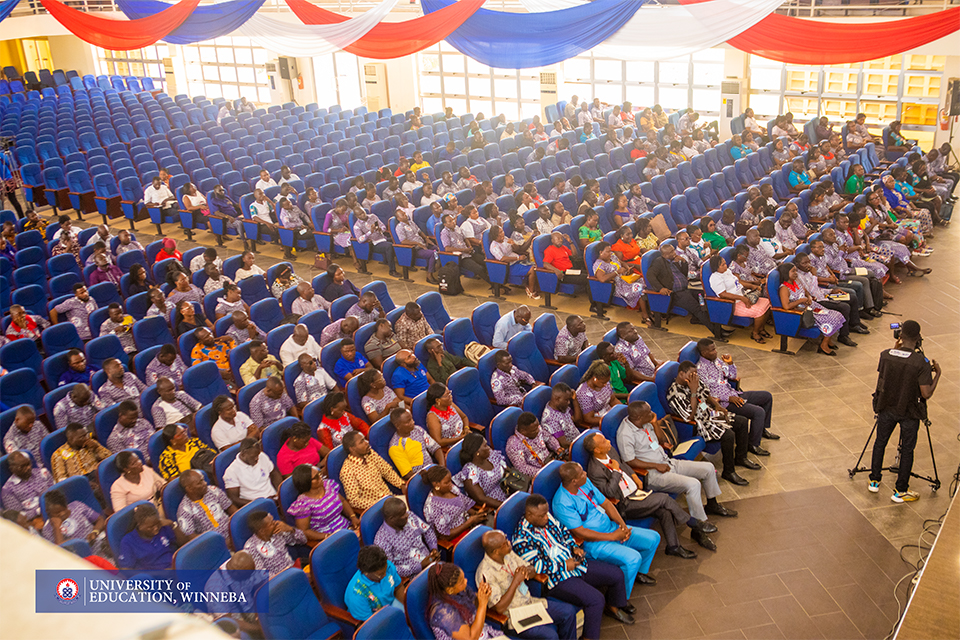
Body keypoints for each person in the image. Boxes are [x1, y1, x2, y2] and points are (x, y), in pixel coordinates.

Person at [584, 432, 713, 557]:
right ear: (597, 450)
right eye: (604, 442)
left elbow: (623, 464)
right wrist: (616, 471)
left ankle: (673, 547)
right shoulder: (594, 470)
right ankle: (693, 522)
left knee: (664, 511)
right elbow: (610, 492)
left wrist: (634, 476)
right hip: (625, 503)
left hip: (637, 493)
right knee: (664, 499)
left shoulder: (610, 451)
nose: (609, 442)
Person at [552, 461, 659, 597]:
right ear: (574, 481)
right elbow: (580, 532)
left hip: (612, 529)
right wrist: (613, 537)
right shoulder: (562, 502)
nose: (585, 473)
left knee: (653, 538)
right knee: (633, 558)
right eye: (582, 473)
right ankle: (619, 599)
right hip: (595, 543)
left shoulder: (584, 483)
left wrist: (623, 527)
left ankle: (638, 573)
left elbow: (607, 504)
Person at [618, 402, 736, 524]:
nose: (652, 413)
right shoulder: (625, 434)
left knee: (708, 468)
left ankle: (712, 505)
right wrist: (656, 465)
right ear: (638, 417)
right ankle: (699, 523)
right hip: (653, 474)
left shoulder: (645, 422)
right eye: (648, 412)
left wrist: (654, 424)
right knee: (693, 484)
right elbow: (629, 461)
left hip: (668, 462)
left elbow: (661, 440)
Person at [869, 320, 940, 503]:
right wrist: (937, 374)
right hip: (909, 412)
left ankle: (874, 481)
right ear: (918, 338)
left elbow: (888, 373)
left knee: (880, 443)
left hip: (886, 407)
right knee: (907, 450)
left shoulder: (885, 355)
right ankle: (900, 491)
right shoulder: (921, 363)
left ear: (900, 336)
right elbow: (926, 393)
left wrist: (896, 349)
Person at [667, 361, 759, 485]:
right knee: (728, 435)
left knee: (742, 422)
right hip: (699, 423)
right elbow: (690, 416)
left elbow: (706, 394)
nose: (695, 377)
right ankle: (729, 471)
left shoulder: (694, 381)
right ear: (682, 374)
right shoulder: (675, 393)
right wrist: (693, 391)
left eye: (696, 374)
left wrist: (717, 406)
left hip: (708, 413)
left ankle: (741, 457)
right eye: (692, 374)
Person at [477, 530, 580, 640]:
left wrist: (527, 571)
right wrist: (515, 582)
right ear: (496, 551)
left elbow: (532, 569)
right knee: (551, 636)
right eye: (505, 543)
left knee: (568, 612)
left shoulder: (508, 554)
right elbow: (499, 608)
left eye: (506, 538)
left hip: (530, 603)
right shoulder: (485, 573)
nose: (509, 542)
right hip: (514, 616)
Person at [646, 243, 731, 341]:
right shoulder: (659, 262)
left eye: (673, 250)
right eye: (671, 252)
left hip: (687, 289)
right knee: (697, 308)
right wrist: (660, 288)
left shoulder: (674, 261)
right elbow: (650, 275)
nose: (674, 253)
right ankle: (717, 333)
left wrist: (684, 263)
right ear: (664, 255)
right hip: (677, 294)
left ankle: (702, 320)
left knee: (703, 298)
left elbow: (683, 274)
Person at [426, 562, 502, 640]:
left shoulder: (459, 591)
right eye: (461, 582)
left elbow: (473, 604)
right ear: (450, 590)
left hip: (482, 631)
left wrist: (482, 594)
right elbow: (471, 638)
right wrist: (483, 604)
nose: (466, 581)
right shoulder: (443, 612)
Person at [708, 254, 772, 344]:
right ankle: (755, 333)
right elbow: (723, 294)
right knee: (759, 311)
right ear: (716, 267)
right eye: (722, 265)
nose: (725, 266)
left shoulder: (727, 271)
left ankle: (761, 329)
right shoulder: (715, 278)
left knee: (767, 303)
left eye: (725, 263)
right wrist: (741, 298)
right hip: (733, 304)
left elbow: (739, 282)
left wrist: (752, 286)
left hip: (742, 295)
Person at [286, 463, 357, 541]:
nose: (320, 477)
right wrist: (328, 536)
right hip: (326, 538)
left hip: (345, 527)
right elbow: (304, 531)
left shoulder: (328, 486)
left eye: (319, 474)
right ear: (306, 482)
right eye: (316, 477)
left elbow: (342, 501)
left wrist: (352, 516)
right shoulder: (303, 504)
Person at [374, 497, 440, 579]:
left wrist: (434, 549)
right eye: (403, 514)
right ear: (392, 519)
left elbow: (427, 531)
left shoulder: (410, 517)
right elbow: (390, 569)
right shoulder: (382, 541)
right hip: (414, 577)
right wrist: (419, 566)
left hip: (431, 561)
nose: (407, 515)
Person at [340, 431, 404, 512]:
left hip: (390, 498)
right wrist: (379, 503)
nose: (367, 443)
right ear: (352, 449)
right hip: (377, 508)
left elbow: (387, 471)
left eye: (364, 440)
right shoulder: (347, 471)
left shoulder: (370, 453)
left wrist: (402, 484)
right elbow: (354, 501)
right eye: (361, 442)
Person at [422, 465, 486, 542]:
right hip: (456, 538)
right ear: (436, 484)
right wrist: (469, 522)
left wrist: (476, 514)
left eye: (450, 480)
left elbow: (465, 504)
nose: (450, 484)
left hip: (469, 525)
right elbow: (445, 536)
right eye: (446, 482)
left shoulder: (451, 488)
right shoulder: (432, 506)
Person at [117, 503, 188, 572]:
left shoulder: (163, 527)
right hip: (155, 578)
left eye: (157, 524)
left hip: (177, 567)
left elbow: (183, 543)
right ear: (140, 526)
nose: (156, 528)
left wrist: (172, 525)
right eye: (150, 527)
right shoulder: (128, 541)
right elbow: (126, 570)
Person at [345, 545, 407, 621]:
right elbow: (370, 623)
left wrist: (407, 605)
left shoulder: (386, 565)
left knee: (414, 618)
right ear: (366, 573)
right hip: (375, 618)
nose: (385, 575)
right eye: (380, 574)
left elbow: (398, 587)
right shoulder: (356, 594)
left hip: (391, 602)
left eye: (385, 570)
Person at [41, 490, 108, 556]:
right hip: (79, 558)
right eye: (57, 513)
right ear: (48, 512)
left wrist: (95, 532)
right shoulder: (47, 530)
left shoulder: (77, 506)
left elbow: (100, 519)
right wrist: (56, 528)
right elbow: (59, 552)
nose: (62, 514)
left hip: (98, 548)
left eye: (64, 509)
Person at [243, 510, 308, 576]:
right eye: (271, 523)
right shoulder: (251, 547)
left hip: (293, 568)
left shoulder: (278, 532)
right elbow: (262, 573)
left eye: (273, 520)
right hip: (279, 579)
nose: (275, 523)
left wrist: (291, 529)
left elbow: (303, 540)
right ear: (262, 531)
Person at [176, 469, 236, 539]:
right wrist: (219, 542)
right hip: (212, 542)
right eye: (200, 483)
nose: (205, 483)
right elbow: (191, 537)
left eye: (203, 480)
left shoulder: (212, 490)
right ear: (189, 489)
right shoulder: (185, 509)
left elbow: (230, 507)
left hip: (232, 532)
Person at [223, 439, 282, 508]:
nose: (257, 459)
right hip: (255, 505)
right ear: (243, 453)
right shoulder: (231, 471)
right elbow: (234, 499)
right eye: (253, 457)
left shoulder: (261, 456)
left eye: (258, 455)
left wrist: (279, 490)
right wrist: (262, 502)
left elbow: (274, 473)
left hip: (274, 497)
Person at [388, 408, 444, 479]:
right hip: (420, 479)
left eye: (411, 419)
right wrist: (429, 477)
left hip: (433, 470)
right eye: (408, 422)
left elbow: (436, 448)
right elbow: (408, 474)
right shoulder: (395, 446)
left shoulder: (418, 429)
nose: (413, 422)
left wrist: (442, 467)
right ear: (397, 426)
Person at [506, 412, 563, 478]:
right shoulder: (514, 444)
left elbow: (549, 438)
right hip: (538, 475)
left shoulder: (536, 428)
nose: (538, 430)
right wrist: (544, 472)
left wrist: (557, 448)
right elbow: (522, 468)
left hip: (550, 461)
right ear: (523, 431)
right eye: (534, 430)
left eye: (538, 427)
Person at [2, 451, 53, 521]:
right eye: (22, 466)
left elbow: (57, 492)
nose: (28, 468)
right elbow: (19, 517)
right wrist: (38, 511)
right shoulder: (8, 490)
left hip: (55, 509)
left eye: (28, 464)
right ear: (12, 469)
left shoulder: (43, 473)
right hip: (34, 519)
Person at [353, 208, 399, 276]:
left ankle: (406, 264)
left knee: (397, 241)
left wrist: (381, 229)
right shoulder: (357, 226)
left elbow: (383, 226)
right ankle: (392, 271)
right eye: (360, 214)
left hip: (382, 238)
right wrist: (370, 232)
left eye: (363, 212)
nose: (363, 214)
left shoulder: (372, 216)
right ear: (357, 216)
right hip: (373, 243)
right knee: (389, 246)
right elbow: (359, 239)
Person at [574, 362, 619, 428]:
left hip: (609, 413)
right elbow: (589, 419)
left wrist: (621, 411)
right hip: (598, 421)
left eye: (607, 382)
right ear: (594, 379)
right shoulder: (584, 394)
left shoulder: (604, 382)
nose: (605, 385)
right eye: (603, 383)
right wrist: (610, 420)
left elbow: (613, 400)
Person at [425, 382, 469, 449]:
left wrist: (466, 428)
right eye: (447, 395)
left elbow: (464, 417)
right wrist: (461, 438)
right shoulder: (432, 416)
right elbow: (438, 441)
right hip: (452, 447)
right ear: (437, 400)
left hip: (464, 439)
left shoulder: (450, 405)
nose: (450, 396)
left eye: (449, 393)